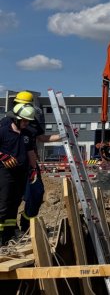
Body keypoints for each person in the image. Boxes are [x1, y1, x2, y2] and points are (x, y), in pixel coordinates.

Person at [0, 103, 38, 244]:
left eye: (28, 121)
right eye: (24, 120)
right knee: (4, 204)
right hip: (5, 173)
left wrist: (33, 169)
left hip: (21, 173)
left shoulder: (27, 134)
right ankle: (1, 236)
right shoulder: (3, 131)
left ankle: (9, 234)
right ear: (16, 119)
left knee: (14, 204)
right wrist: (3, 156)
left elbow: (30, 153)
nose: (26, 123)